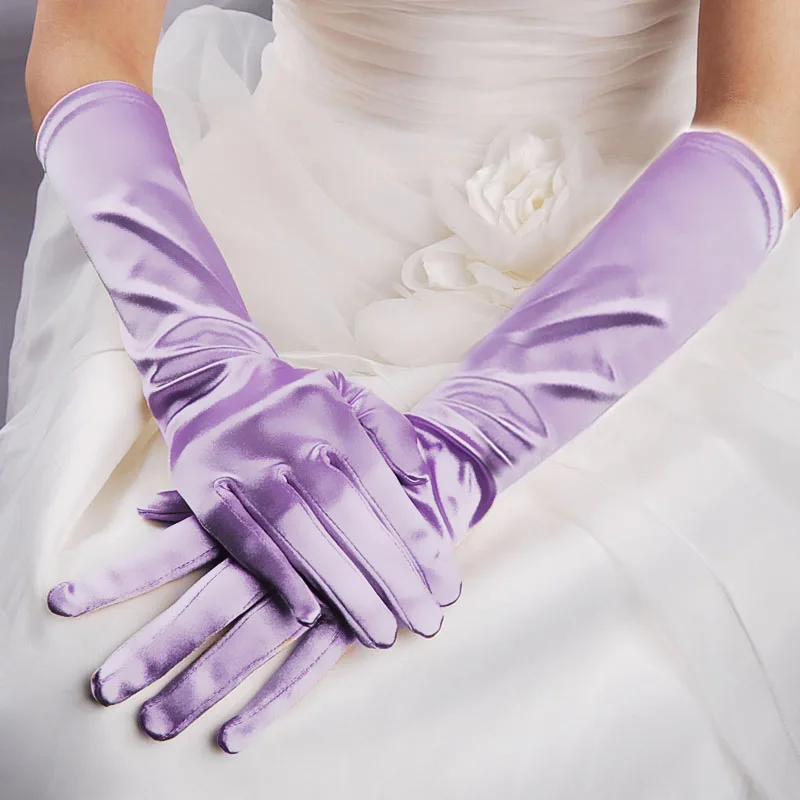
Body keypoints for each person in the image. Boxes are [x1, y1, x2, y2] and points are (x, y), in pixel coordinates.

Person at [3, 0, 800, 797]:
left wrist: (478, 437)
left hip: (646, 261)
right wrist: (198, 353)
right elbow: (88, 39)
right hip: (257, 233)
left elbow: (769, 108)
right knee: (76, 715)